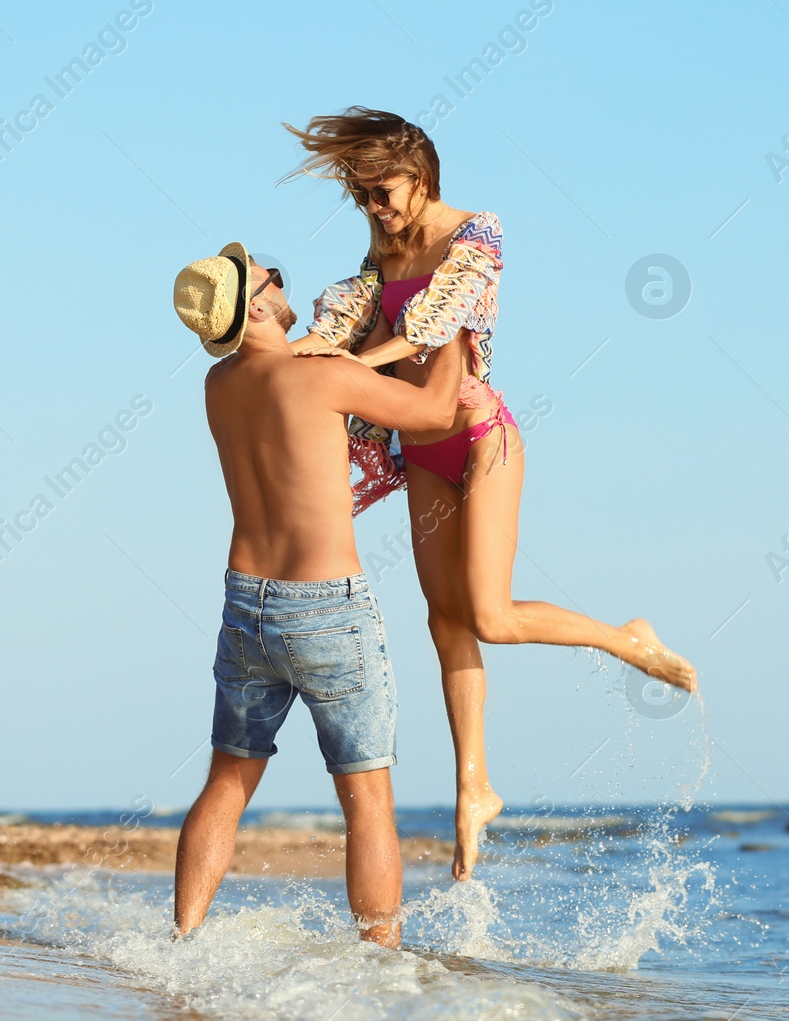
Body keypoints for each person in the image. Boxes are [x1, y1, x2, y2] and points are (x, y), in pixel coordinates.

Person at [286, 109, 698, 881]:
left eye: (384, 193)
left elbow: (434, 323)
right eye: (363, 197)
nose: (375, 210)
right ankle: (473, 785)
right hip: (422, 446)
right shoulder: (385, 243)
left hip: (480, 437)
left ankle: (627, 637)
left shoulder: (477, 232)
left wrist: (347, 363)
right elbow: (357, 308)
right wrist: (319, 340)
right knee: (445, 621)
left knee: (491, 615)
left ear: (423, 176)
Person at [169, 240, 461, 946]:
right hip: (326, 604)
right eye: (275, 276)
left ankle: (182, 943)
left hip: (248, 606)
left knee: (227, 783)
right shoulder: (321, 376)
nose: (280, 277)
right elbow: (435, 410)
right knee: (367, 802)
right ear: (261, 304)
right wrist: (453, 323)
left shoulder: (218, 387)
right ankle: (381, 969)